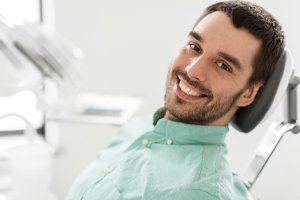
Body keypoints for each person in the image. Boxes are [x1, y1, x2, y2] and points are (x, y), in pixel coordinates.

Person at [66, 1, 285, 199]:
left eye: (223, 66)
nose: (192, 70)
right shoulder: (136, 129)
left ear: (248, 94)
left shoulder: (200, 193)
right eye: (194, 47)